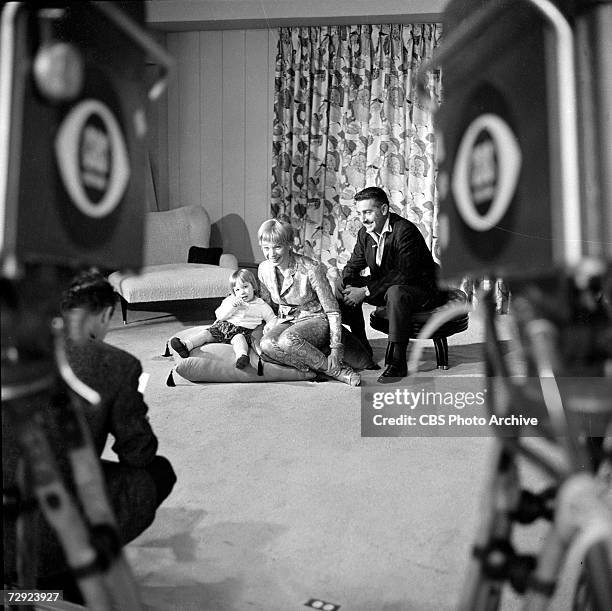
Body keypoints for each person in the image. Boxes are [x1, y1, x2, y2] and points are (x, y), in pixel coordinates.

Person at [2, 270, 176, 602]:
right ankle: (64, 570)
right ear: (107, 314)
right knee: (158, 472)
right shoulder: (117, 365)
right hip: (50, 528)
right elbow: (138, 454)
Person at [337, 186, 439, 383]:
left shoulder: (405, 230)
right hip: (388, 285)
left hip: (421, 289)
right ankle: (361, 346)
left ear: (384, 210)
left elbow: (403, 274)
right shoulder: (364, 233)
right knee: (341, 284)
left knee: (396, 293)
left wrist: (365, 291)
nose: (363, 218)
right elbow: (353, 265)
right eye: (360, 213)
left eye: (368, 212)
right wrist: (350, 288)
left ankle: (398, 362)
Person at [256, 218, 360, 386]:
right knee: (266, 344)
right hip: (286, 320)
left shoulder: (311, 268)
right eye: (266, 248)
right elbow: (266, 304)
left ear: (289, 244)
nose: (271, 254)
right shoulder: (263, 269)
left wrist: (336, 348)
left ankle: (340, 371)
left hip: (316, 318)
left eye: (277, 247)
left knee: (287, 340)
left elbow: (332, 311)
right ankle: (323, 369)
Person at [170, 268, 277, 368]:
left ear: (253, 286)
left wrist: (269, 327)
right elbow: (220, 315)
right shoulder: (230, 300)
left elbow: (271, 318)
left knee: (239, 340)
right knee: (205, 334)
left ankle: (242, 357)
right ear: (234, 292)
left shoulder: (261, 305)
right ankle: (186, 346)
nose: (242, 292)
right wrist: (232, 307)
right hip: (223, 327)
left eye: (245, 287)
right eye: (238, 290)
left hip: (243, 331)